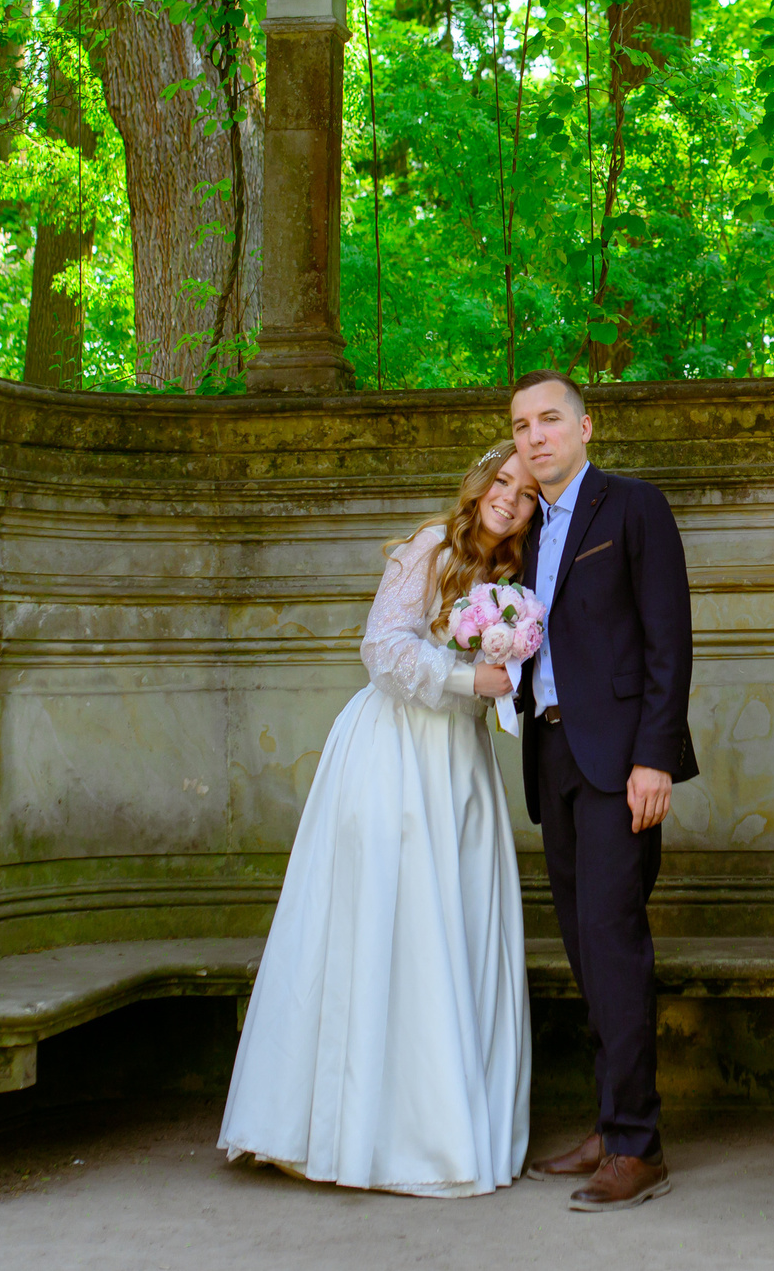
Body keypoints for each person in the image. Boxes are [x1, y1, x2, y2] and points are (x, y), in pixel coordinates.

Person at [218, 442, 539, 1197]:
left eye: (526, 494)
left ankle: (441, 1123)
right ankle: (343, 1127)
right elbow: (381, 648)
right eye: (502, 482)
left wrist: (504, 678)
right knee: (380, 923)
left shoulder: (515, 580)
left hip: (458, 760)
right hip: (391, 751)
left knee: (451, 927)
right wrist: (470, 675)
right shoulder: (432, 545)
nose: (509, 499)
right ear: (480, 483)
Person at [509, 370, 699, 1213]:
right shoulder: (523, 532)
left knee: (613, 941)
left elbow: (669, 637)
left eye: (550, 419)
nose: (535, 436)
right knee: (585, 949)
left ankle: (636, 1145)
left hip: (622, 762)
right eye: (520, 426)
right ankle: (607, 1119)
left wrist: (654, 757)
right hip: (552, 757)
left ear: (588, 426)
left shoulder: (633, 508)